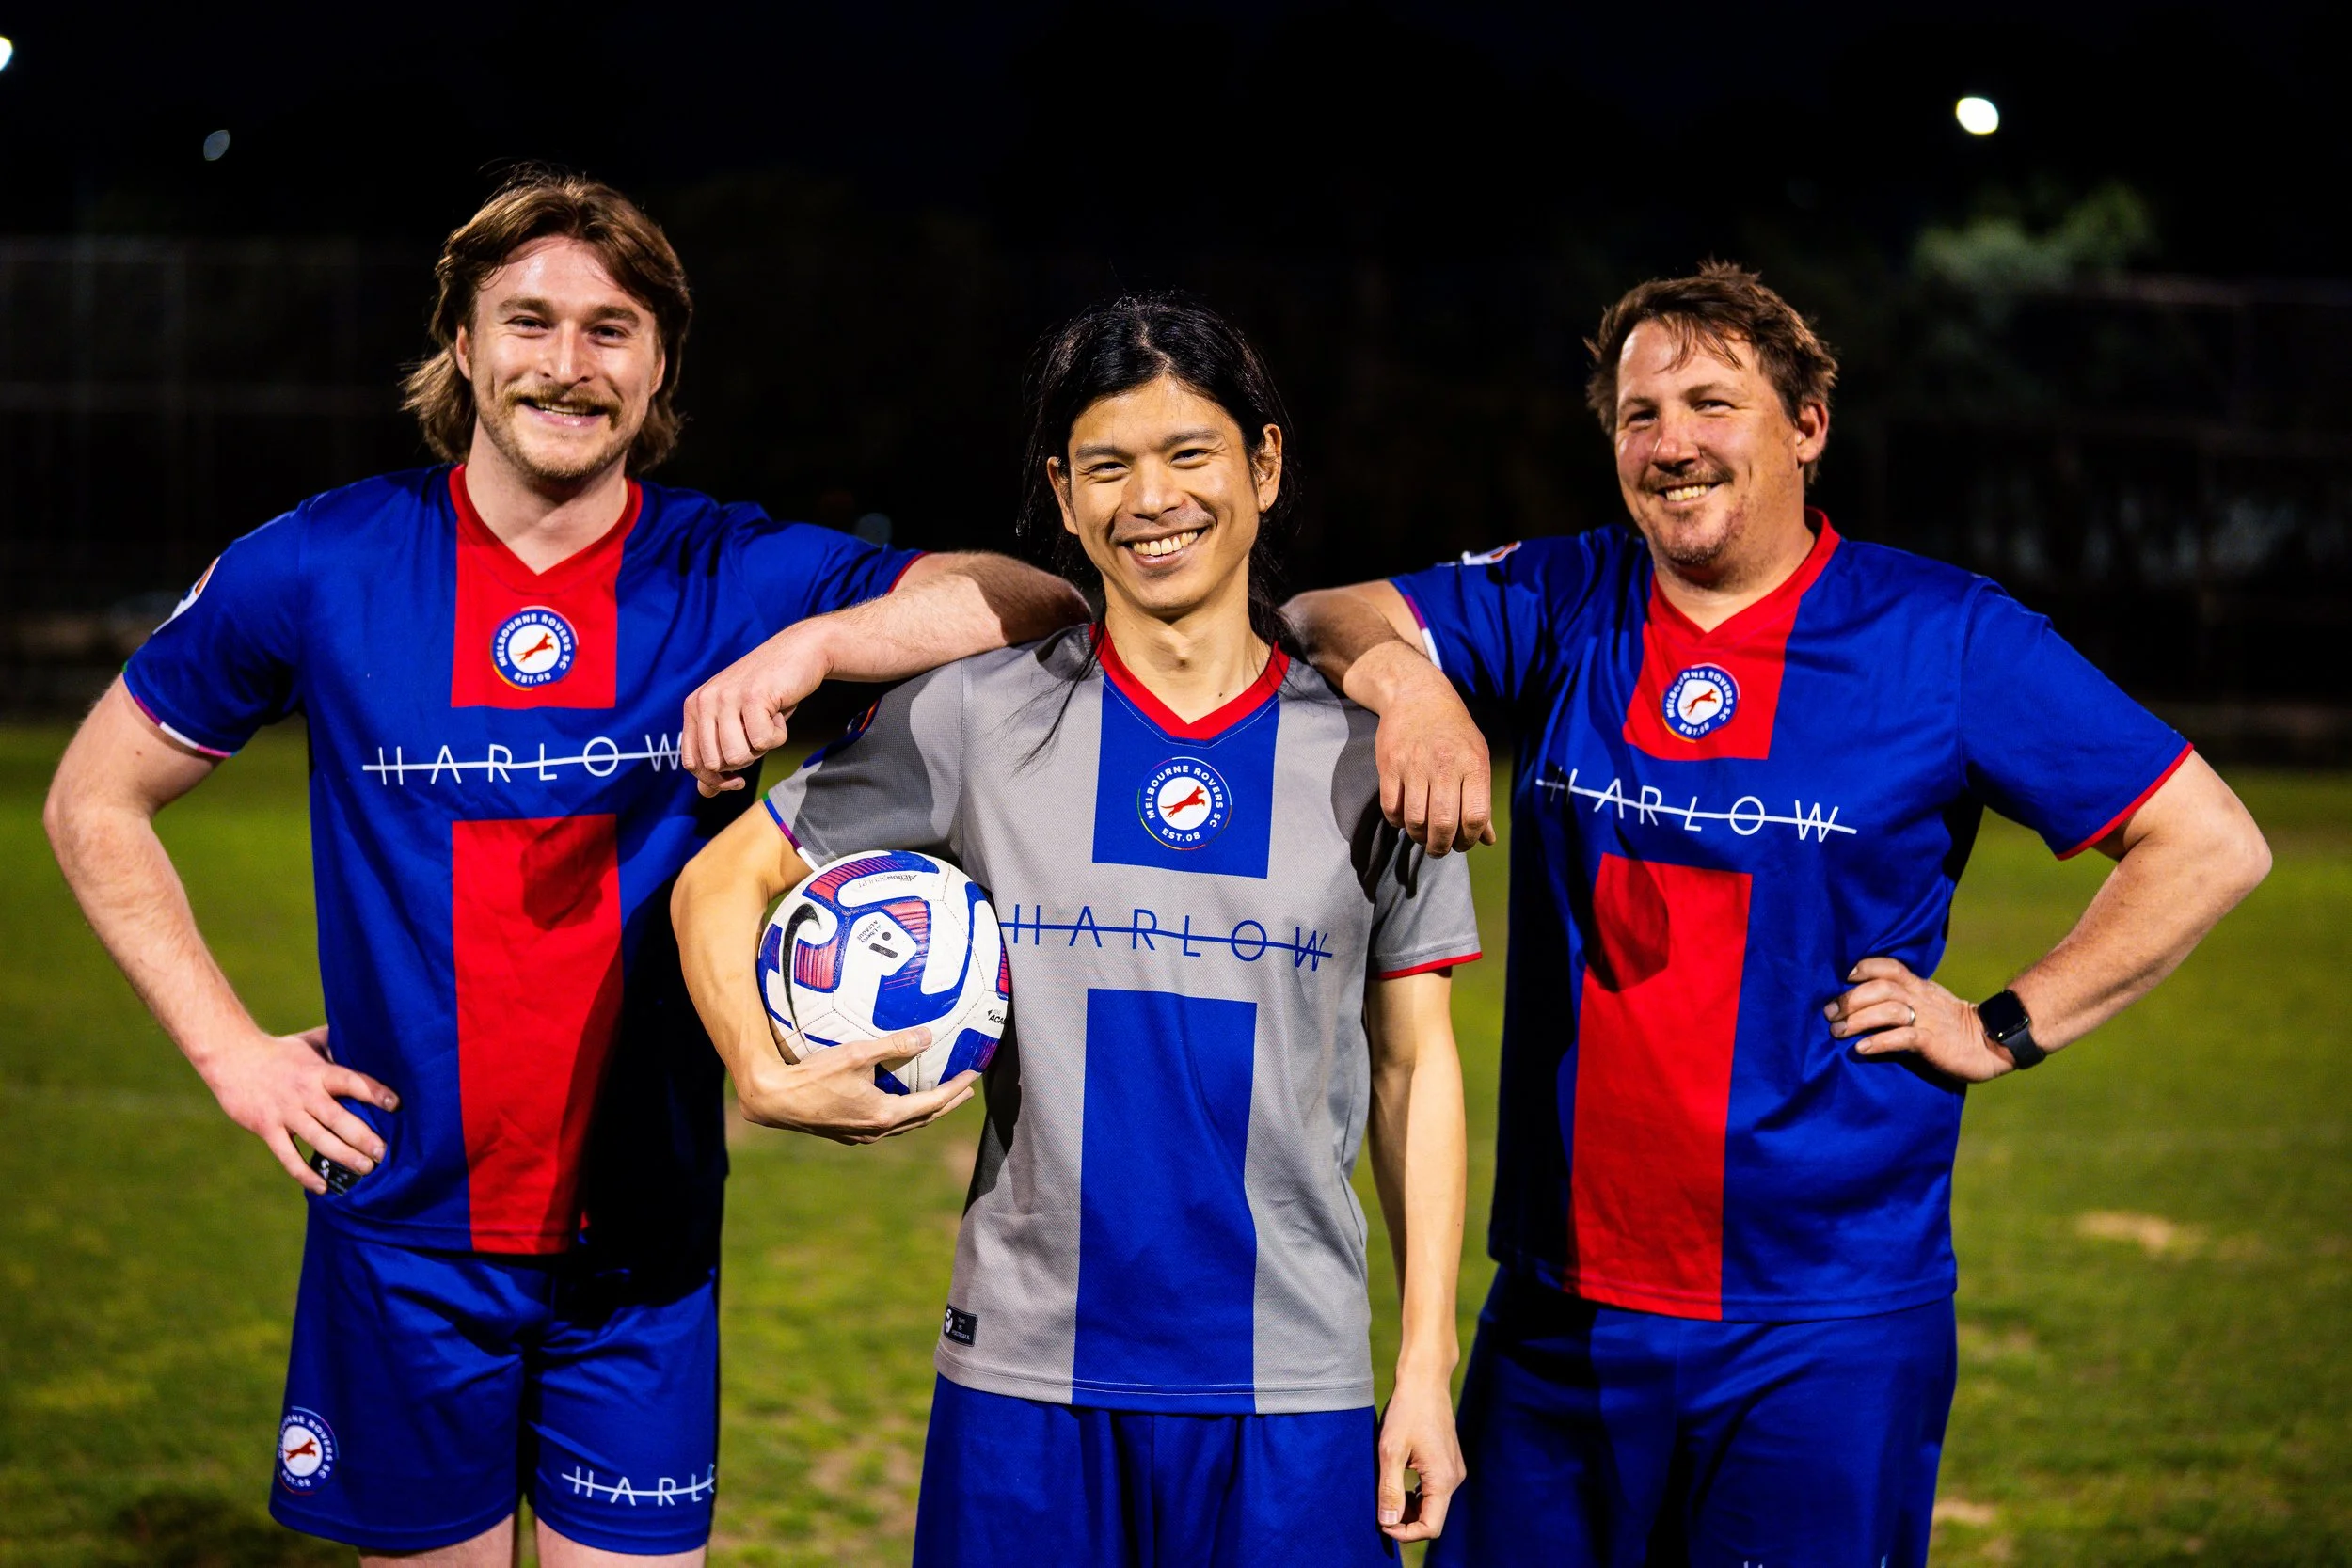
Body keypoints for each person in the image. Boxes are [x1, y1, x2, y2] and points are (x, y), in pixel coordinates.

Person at [42, 170, 1085, 1567]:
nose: (567, 362)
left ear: (658, 366)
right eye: (527, 321)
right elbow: (95, 797)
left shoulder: (733, 572)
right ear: (460, 345)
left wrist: (816, 646)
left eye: (611, 329)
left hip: (642, 1247)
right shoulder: (323, 561)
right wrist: (235, 1054)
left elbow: (1039, 604)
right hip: (406, 1230)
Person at [1282, 261, 2271, 1566]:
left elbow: (2207, 839)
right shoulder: (1564, 593)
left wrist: (1999, 1025)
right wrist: (1409, 683)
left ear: (1807, 425)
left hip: (1826, 1325)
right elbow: (1315, 612)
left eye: (1711, 403)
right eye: (1639, 415)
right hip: (1562, 1311)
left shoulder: (1944, 635)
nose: (1671, 443)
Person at [672, 293, 1482, 1565]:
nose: (1151, 497)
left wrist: (1426, 1359)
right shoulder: (975, 720)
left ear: (1265, 466)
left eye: (1190, 454)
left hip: (1293, 1384)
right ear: (1063, 490)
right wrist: (759, 1062)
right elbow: (719, 880)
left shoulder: (1380, 754)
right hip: (1025, 1382)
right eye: (1107, 463)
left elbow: (1416, 1065)